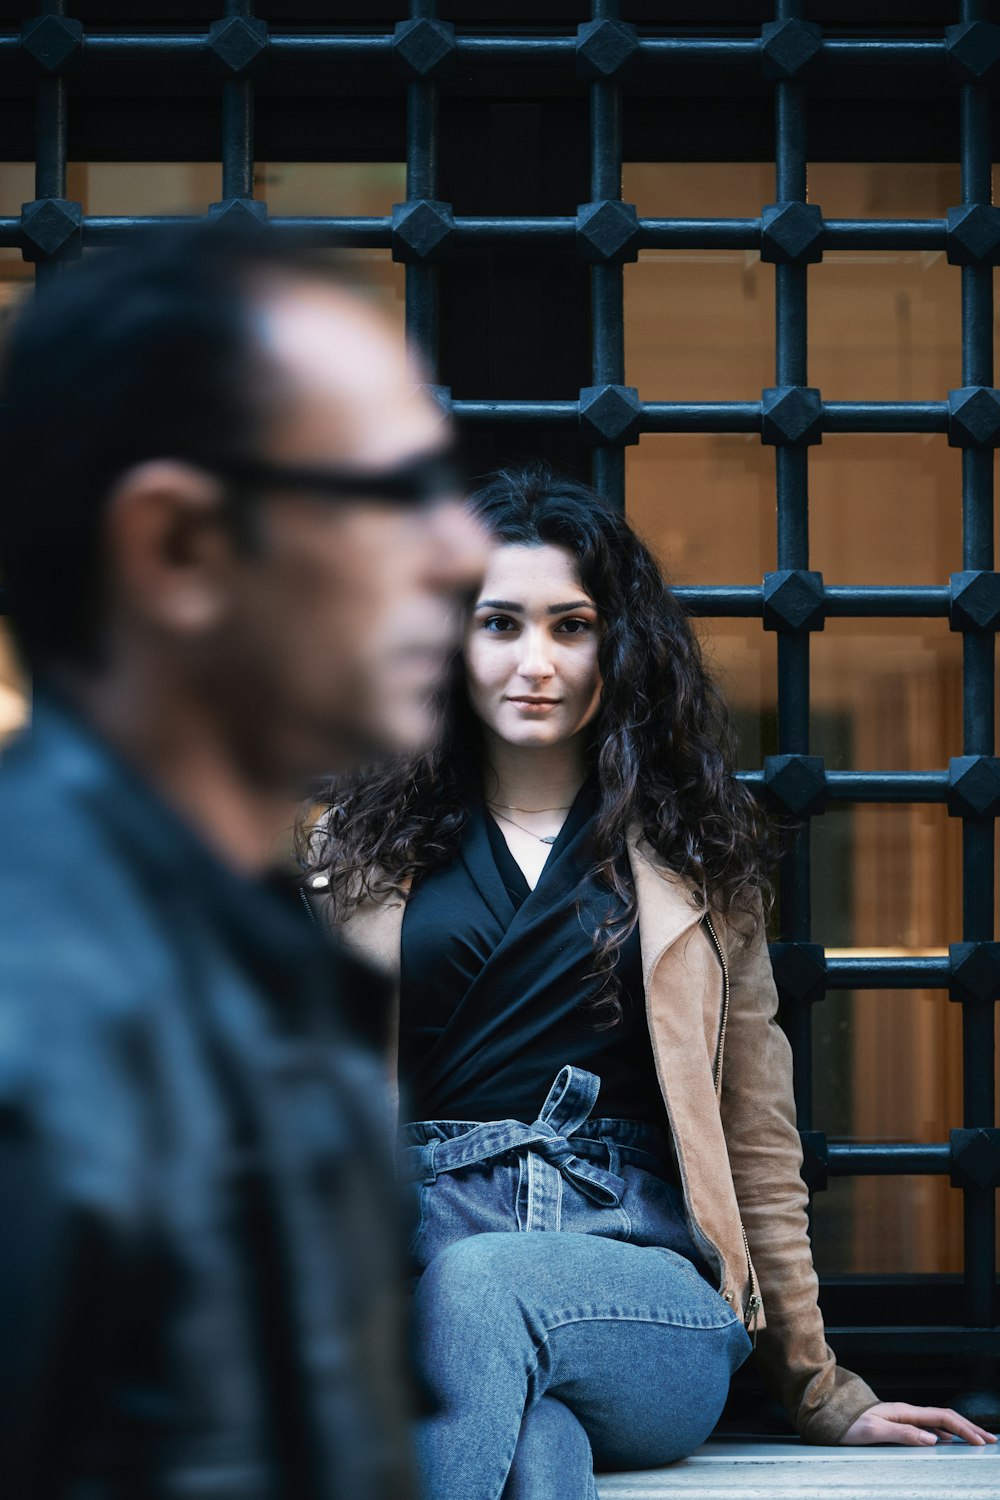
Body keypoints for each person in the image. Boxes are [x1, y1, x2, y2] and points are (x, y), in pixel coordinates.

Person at [308, 464, 995, 1500]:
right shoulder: (351, 854)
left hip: (641, 1288)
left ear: (615, 645)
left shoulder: (696, 866)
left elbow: (757, 1137)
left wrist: (819, 1388)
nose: (533, 661)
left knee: (484, 1287)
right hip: (414, 1258)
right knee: (533, 1445)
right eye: (498, 624)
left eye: (569, 626)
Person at [0, 227, 485, 1499]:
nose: (458, 552)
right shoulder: (41, 1038)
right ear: (179, 548)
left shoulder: (262, 982)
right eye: (395, 494)